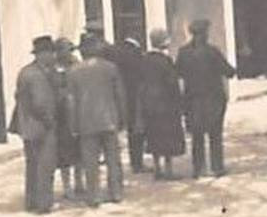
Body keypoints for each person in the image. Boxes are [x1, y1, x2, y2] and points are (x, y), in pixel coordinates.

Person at [66, 35, 127, 205]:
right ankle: (115, 192)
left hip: (86, 122)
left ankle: (93, 195)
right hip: (109, 119)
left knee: (90, 160)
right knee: (113, 158)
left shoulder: (74, 71)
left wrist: (73, 124)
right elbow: (119, 95)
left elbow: (71, 102)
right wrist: (123, 117)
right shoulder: (110, 68)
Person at [176, 18, 236, 178]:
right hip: (213, 99)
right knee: (215, 134)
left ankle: (198, 168)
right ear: (204, 33)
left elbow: (179, 72)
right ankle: (217, 167)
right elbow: (229, 72)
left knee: (197, 135)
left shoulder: (183, 52)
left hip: (192, 100)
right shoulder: (212, 52)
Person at [12, 36, 59, 214]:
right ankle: (44, 203)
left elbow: (18, 96)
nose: (53, 56)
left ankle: (31, 201)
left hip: (27, 127)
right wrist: (49, 120)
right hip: (41, 127)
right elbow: (40, 103)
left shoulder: (25, 72)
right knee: (45, 165)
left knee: (32, 165)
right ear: (43, 54)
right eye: (51, 53)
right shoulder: (38, 75)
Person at [138, 29, 185, 180]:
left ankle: (157, 167)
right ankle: (169, 169)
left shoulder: (144, 59)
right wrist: (179, 101)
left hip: (149, 103)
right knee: (168, 136)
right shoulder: (165, 61)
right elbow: (172, 83)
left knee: (153, 135)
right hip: (166, 103)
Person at [109, 36, 147, 174]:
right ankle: (137, 162)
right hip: (135, 95)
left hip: (123, 95)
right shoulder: (136, 56)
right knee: (137, 131)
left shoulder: (118, 55)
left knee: (131, 130)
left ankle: (135, 162)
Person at [50, 37, 79, 199]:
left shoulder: (76, 65)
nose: (68, 53)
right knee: (64, 154)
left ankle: (79, 182)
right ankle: (67, 187)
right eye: (65, 50)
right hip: (61, 116)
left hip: (76, 113)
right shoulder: (53, 69)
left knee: (79, 150)